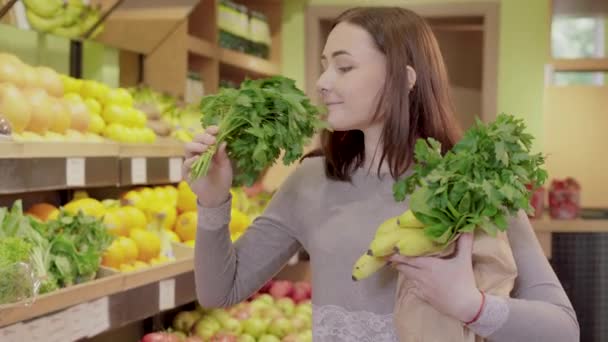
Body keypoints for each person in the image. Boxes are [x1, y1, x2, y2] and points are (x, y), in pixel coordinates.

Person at [182, 7, 579, 341]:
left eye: (344, 66)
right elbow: (220, 291)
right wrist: (213, 201)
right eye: (324, 66)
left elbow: (563, 328)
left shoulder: (473, 186)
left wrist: (469, 306)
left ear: (404, 79)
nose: (322, 83)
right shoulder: (312, 180)